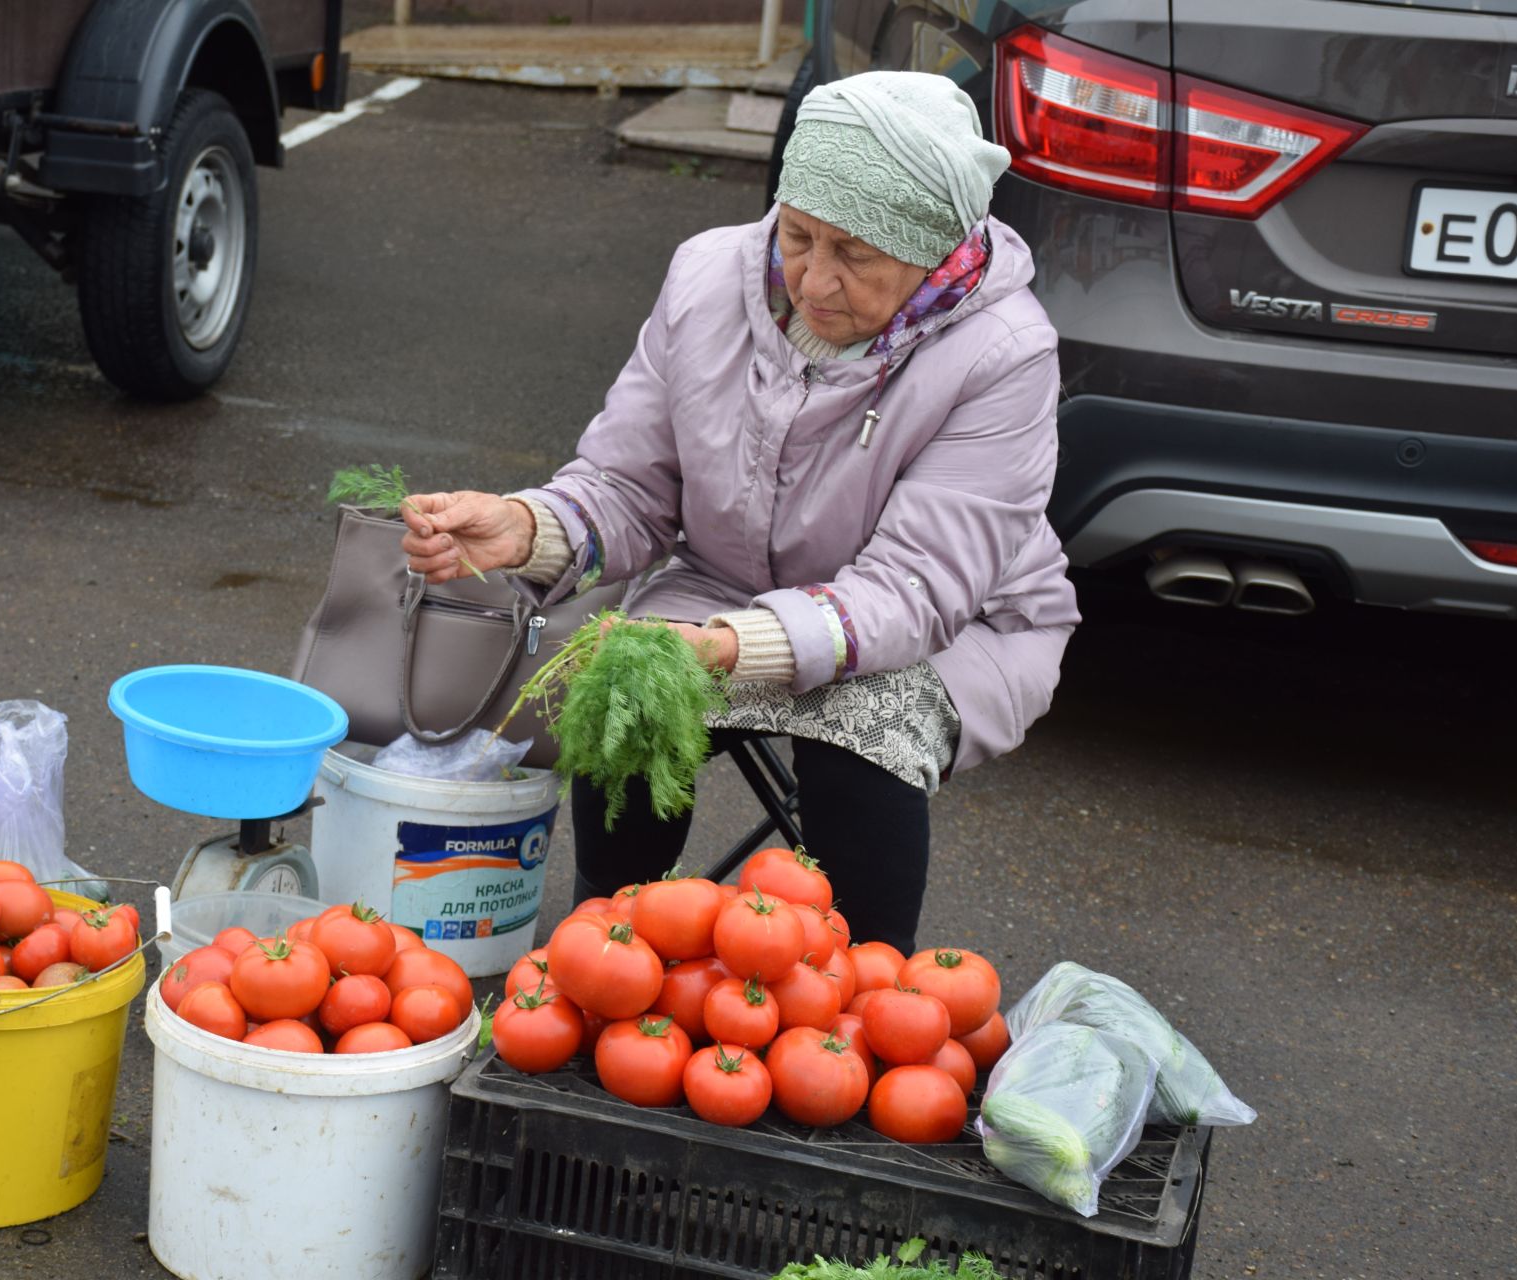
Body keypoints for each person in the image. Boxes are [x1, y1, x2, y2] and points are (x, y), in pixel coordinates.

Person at [399, 71, 1079, 956]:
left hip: (955, 623)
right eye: (798, 235)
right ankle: (603, 961)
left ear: (933, 250)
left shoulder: (1006, 353)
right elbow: (632, 487)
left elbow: (915, 590)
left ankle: (862, 1001)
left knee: (857, 741)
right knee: (631, 695)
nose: (814, 281)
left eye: (855, 255)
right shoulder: (707, 276)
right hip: (727, 586)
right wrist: (529, 528)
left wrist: (727, 646)